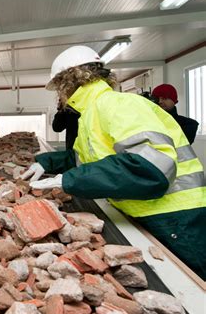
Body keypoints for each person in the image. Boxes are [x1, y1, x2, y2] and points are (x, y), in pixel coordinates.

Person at [21, 45, 206, 279]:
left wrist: (70, 180)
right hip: (148, 211)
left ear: (70, 82)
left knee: (192, 290)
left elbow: (153, 170)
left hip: (175, 217)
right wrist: (46, 163)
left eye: (59, 88)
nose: (59, 95)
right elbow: (81, 158)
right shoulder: (92, 113)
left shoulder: (119, 104)